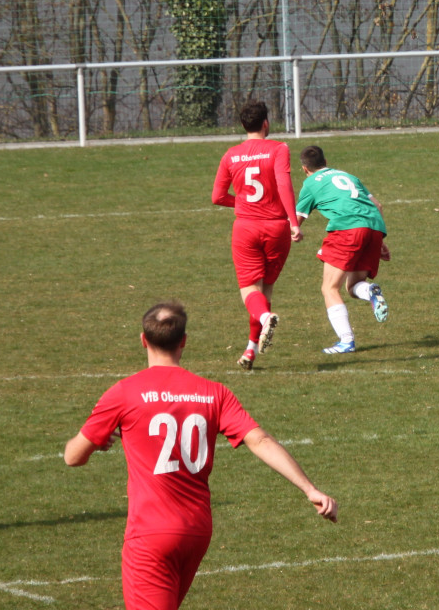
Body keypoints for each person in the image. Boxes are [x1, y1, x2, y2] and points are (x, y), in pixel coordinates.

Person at [63, 302, 338, 610]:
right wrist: (310, 489)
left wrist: (96, 443)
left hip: (151, 533)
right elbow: (259, 440)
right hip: (196, 531)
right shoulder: (214, 393)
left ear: (143, 340)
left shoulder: (124, 393)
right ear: (184, 341)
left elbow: (73, 457)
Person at [211, 99, 301, 371]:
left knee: (250, 290)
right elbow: (284, 183)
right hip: (277, 228)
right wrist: (294, 221)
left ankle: (264, 319)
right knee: (266, 289)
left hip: (246, 228)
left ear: (242, 125)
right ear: (266, 123)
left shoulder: (230, 155)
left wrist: (241, 203)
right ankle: (251, 350)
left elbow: (217, 197)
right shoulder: (279, 148)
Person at [296, 145, 390, 354]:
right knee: (354, 286)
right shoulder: (348, 176)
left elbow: (297, 220)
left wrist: (292, 231)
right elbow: (378, 205)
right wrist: (380, 240)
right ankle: (370, 292)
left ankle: (346, 340)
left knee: (329, 288)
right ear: (326, 161)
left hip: (347, 229)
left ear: (305, 168)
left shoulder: (310, 183)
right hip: (373, 227)